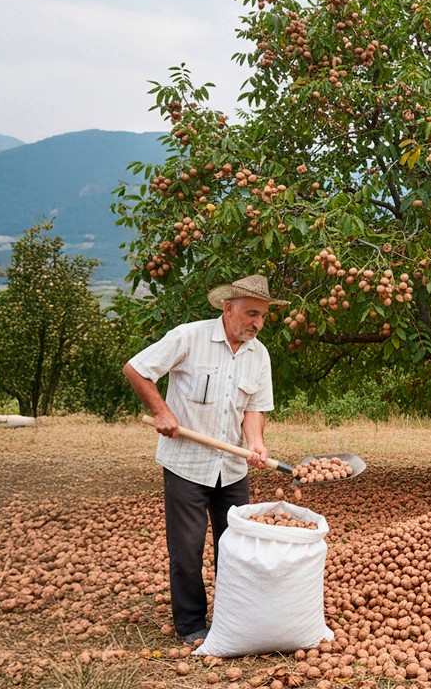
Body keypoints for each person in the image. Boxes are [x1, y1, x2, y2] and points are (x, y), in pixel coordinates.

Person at [123, 274, 286, 644]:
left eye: (262, 316)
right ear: (228, 309)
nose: (257, 323)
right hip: (187, 465)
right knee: (187, 549)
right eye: (251, 313)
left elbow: (255, 408)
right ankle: (192, 625)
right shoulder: (189, 336)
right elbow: (136, 368)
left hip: (232, 469)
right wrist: (162, 412)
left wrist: (256, 442)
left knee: (235, 548)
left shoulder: (259, 354)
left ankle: (233, 618)